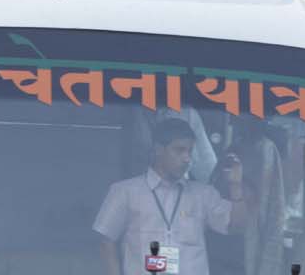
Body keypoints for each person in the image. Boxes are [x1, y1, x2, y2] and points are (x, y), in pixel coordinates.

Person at [93, 118, 246, 275]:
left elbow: (236, 227)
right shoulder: (124, 191)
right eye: (179, 150)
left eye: (190, 151)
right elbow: (106, 241)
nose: (187, 158)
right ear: (158, 149)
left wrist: (236, 186)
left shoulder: (203, 194)